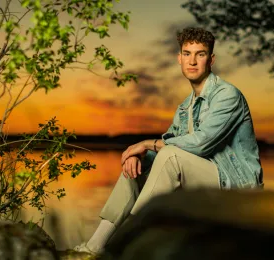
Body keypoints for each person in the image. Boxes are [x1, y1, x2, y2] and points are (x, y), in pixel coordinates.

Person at [74, 27, 263, 254]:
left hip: (235, 185)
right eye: (187, 54)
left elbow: (201, 144)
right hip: (203, 179)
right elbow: (169, 147)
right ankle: (93, 248)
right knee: (137, 165)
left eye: (200, 54)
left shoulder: (227, 95)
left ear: (211, 59)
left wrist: (146, 143)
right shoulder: (185, 107)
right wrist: (140, 156)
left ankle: (132, 238)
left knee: (169, 155)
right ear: (179, 58)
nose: (192, 61)